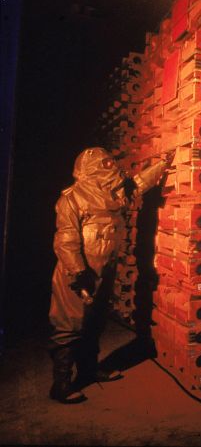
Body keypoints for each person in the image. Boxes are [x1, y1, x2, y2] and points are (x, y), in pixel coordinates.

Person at [48, 147, 170, 404]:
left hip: (104, 269)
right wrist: (78, 273)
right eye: (106, 164)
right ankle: (61, 384)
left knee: (95, 322)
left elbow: (136, 186)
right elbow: (65, 240)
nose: (112, 167)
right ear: (92, 169)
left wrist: (161, 165)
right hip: (78, 274)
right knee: (69, 325)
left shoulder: (112, 193)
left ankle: (90, 370)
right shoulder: (72, 199)